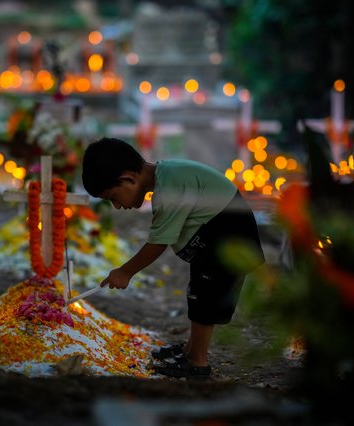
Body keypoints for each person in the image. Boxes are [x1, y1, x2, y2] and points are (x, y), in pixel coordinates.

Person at [81, 137, 265, 380]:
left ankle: (197, 361)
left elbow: (158, 242)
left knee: (203, 299)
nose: (117, 206)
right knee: (199, 294)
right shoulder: (166, 177)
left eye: (113, 197)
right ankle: (191, 350)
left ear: (128, 179)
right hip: (220, 236)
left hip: (228, 238)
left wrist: (125, 271)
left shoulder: (168, 189)